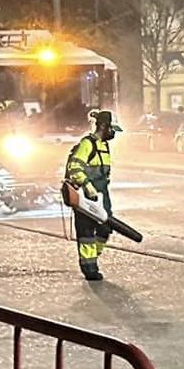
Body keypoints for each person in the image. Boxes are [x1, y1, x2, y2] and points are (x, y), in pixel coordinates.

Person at [64, 108, 121, 282]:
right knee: (86, 232)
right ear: (103, 126)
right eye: (111, 129)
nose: (113, 134)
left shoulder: (104, 145)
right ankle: (89, 268)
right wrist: (87, 186)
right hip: (85, 196)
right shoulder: (87, 144)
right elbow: (74, 168)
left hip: (102, 194)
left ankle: (92, 258)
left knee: (105, 228)